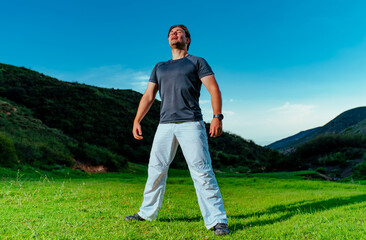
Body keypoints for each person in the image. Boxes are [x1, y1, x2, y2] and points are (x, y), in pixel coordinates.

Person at [125, 24, 229, 236]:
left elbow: (214, 88)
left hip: (191, 123)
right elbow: (148, 96)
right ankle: (146, 213)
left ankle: (218, 221)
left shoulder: (197, 62)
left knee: (201, 170)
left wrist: (217, 117)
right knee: (155, 168)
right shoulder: (159, 66)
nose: (174, 34)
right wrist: (137, 119)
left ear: (187, 39)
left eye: (179, 32)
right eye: (171, 32)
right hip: (164, 125)